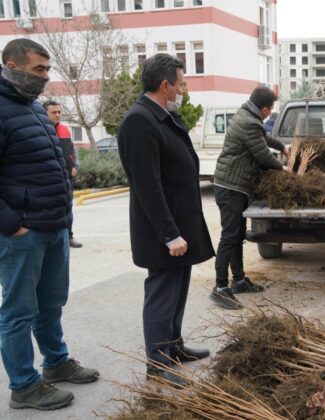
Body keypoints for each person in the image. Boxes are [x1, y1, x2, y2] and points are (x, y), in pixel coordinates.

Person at [0, 38, 99, 411]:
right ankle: (24, 386)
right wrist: (13, 225)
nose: (45, 77)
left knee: (50, 303)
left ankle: (56, 363)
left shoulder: (37, 110)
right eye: (38, 69)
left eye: (47, 69)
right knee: (18, 311)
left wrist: (64, 218)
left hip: (53, 225)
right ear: (11, 65)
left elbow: (53, 166)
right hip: (22, 232)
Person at [117, 53, 214, 386]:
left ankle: (174, 347)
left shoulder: (162, 116)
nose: (183, 90)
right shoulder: (139, 121)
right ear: (164, 85)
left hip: (179, 224)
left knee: (178, 290)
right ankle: (158, 365)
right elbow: (148, 185)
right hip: (162, 230)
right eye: (181, 84)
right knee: (162, 293)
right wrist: (170, 234)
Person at [211, 87, 286, 310]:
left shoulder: (247, 116)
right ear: (264, 109)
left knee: (237, 235)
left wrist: (282, 147)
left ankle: (239, 280)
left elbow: (264, 138)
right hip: (230, 187)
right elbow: (262, 154)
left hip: (234, 187)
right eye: (271, 110)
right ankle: (220, 288)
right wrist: (284, 168)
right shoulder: (249, 122)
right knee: (229, 237)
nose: (270, 114)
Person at [44, 100, 82, 248]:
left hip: (66, 177)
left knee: (67, 207)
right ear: (44, 113)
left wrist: (75, 166)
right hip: (49, 179)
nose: (57, 115)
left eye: (59, 112)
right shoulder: (42, 131)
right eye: (54, 112)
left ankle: (69, 236)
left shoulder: (65, 130)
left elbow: (73, 151)